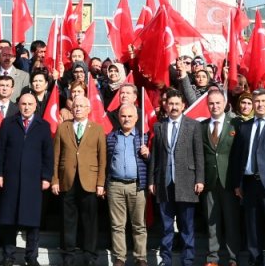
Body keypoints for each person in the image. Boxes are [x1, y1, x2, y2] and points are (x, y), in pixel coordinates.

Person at [0, 92, 54, 266]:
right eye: (23, 104)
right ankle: (8, 256)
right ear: (18, 105)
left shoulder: (43, 126)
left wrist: (46, 177)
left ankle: (31, 257)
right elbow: (0, 150)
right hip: (11, 179)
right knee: (9, 219)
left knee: (32, 221)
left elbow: (48, 155)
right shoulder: (8, 123)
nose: (26, 107)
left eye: (30, 104)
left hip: (33, 181)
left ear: (35, 106)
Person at [229, 88, 265, 266]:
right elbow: (237, 157)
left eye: (263, 101)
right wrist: (237, 184)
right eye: (257, 101)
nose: (260, 104)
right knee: (252, 229)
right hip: (249, 184)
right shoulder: (245, 127)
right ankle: (255, 261)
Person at [150, 89, 204, 266]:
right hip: (164, 182)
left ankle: (187, 261)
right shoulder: (159, 126)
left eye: (177, 104)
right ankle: (165, 260)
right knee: (166, 227)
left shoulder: (193, 126)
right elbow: (155, 156)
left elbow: (199, 154)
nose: (173, 107)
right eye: (171, 104)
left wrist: (200, 179)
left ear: (183, 106)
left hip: (187, 182)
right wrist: (152, 180)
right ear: (166, 106)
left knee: (187, 226)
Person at [53, 95, 106, 266]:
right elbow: (56, 156)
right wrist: (55, 180)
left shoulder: (97, 129)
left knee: (89, 219)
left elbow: (102, 159)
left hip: (89, 181)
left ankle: (89, 254)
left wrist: (101, 183)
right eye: (75, 106)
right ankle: (68, 254)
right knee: (68, 219)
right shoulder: (63, 127)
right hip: (67, 180)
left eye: (82, 106)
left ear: (88, 109)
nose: (78, 109)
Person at [199, 88, 240, 266]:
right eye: (211, 103)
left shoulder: (236, 123)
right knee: (211, 221)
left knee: (231, 221)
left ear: (225, 103)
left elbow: (239, 154)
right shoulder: (201, 126)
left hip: (229, 181)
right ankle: (212, 258)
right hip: (209, 181)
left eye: (218, 103)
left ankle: (233, 258)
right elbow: (200, 155)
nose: (215, 106)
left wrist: (238, 182)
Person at [106, 104, 149, 266]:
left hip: (136, 186)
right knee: (117, 225)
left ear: (136, 118)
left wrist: (148, 155)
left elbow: (153, 163)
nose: (126, 119)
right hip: (115, 185)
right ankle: (120, 258)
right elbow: (106, 160)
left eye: (130, 116)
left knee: (139, 225)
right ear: (119, 117)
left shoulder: (143, 138)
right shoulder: (111, 137)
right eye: (123, 116)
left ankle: (140, 258)